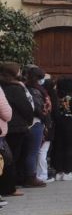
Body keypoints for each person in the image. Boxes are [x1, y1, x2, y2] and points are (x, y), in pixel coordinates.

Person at [0, 62, 33, 197]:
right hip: (14, 127)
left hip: (9, 127)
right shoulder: (15, 88)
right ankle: (9, 188)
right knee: (10, 159)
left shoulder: (4, 85)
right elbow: (24, 108)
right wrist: (29, 119)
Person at [23, 65, 49, 187]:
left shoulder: (25, 87)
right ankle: (31, 177)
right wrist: (46, 119)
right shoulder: (35, 90)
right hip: (36, 122)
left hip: (29, 122)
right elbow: (39, 108)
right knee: (33, 151)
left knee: (29, 151)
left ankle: (27, 175)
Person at [53, 78, 72, 181]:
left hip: (58, 125)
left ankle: (59, 172)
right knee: (70, 149)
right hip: (71, 125)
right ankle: (67, 172)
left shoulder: (58, 97)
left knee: (59, 148)